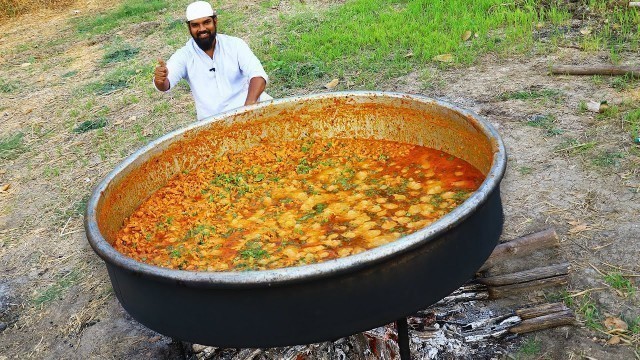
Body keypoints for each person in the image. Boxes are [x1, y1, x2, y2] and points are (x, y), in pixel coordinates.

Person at [153, 1, 271, 120]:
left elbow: (257, 75)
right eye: (195, 25)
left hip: (250, 109)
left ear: (215, 21)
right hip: (214, 122)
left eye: (206, 22)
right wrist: (160, 80)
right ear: (189, 27)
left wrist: (248, 107)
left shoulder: (235, 45)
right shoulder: (184, 55)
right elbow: (165, 84)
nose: (202, 29)